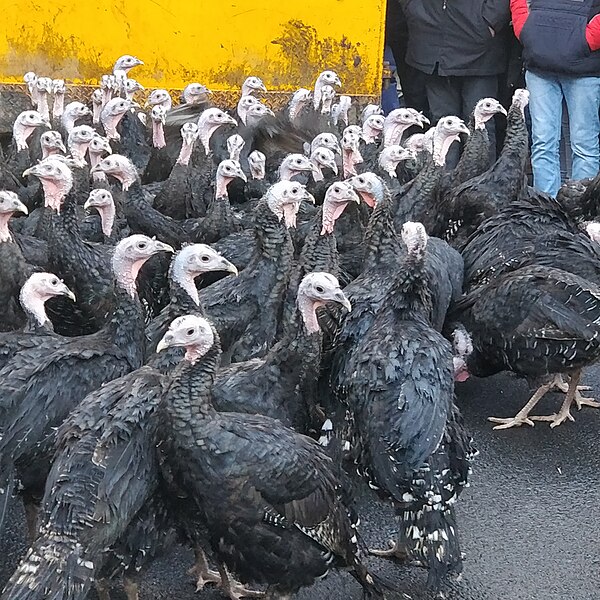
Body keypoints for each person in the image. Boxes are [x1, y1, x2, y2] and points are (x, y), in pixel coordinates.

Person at [399, 0, 511, 167]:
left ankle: (479, 190)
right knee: (443, 127)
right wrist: (415, 11)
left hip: (478, 49)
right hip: (432, 41)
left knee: (479, 126)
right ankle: (444, 187)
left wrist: (490, 21)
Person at [511, 0, 600, 197]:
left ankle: (581, 214)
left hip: (582, 67)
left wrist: (588, 39)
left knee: (583, 145)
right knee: (545, 143)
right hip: (541, 64)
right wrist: (526, 30)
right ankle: (546, 213)